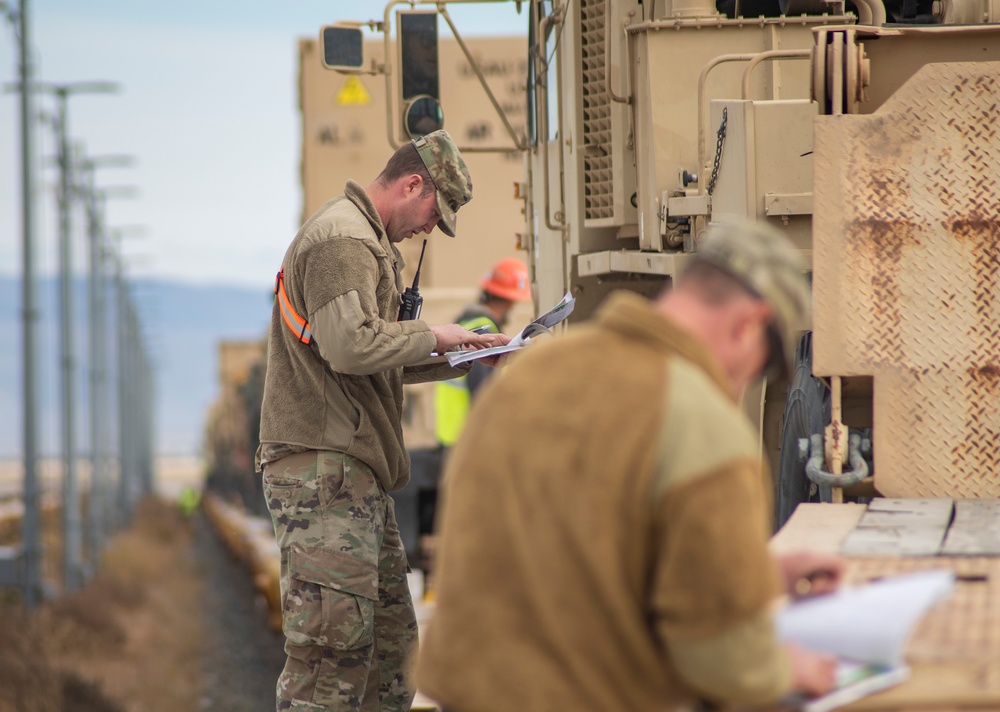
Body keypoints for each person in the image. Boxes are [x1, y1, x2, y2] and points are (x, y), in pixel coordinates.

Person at [417, 221, 844, 712]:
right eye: (763, 364)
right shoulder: (700, 421)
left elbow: (580, 565)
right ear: (750, 324)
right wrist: (781, 667)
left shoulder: (531, 375)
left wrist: (754, 574)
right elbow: (721, 658)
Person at [256, 129, 507, 712]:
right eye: (431, 213)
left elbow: (371, 362)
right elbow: (351, 349)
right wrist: (434, 334)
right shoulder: (342, 240)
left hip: (353, 475)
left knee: (390, 648)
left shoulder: (364, 241)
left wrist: (462, 355)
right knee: (331, 653)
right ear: (411, 183)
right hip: (323, 473)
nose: (428, 228)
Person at [434, 257, 532, 449]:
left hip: (453, 437)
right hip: (469, 441)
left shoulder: (466, 325)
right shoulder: (484, 333)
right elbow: (482, 392)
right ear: (508, 301)